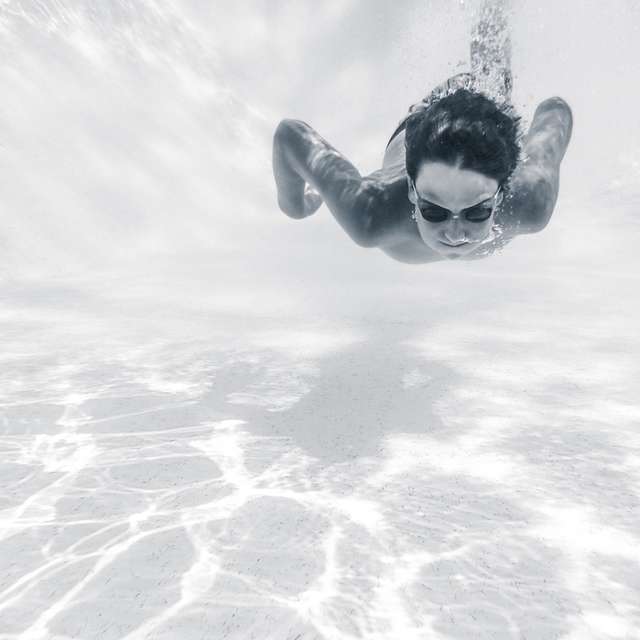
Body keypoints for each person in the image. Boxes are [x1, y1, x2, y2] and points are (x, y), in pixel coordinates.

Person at [271, 0, 573, 263]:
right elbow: (290, 136)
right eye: (434, 211)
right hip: (419, 129)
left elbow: (555, 110)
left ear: (503, 191)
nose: (454, 234)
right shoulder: (371, 213)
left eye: (477, 212)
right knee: (491, 85)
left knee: (493, 88)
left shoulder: (531, 201)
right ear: (412, 191)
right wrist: (294, 205)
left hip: (486, 126)